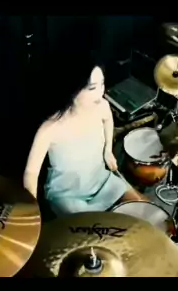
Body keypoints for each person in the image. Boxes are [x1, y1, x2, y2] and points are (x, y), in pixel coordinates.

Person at [23, 57, 146, 216]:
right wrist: (32, 208)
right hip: (67, 194)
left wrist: (108, 150)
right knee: (95, 228)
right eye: (92, 88)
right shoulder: (50, 128)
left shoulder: (102, 106)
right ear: (73, 90)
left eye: (102, 84)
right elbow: (31, 173)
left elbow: (108, 120)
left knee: (144, 209)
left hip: (101, 180)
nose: (100, 93)